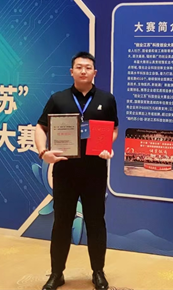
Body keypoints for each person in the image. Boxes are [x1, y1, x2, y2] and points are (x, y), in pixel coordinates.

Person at [34, 52, 118, 290]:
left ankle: (98, 272)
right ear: (71, 72)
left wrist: (107, 146)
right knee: (61, 223)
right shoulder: (58, 99)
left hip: (95, 172)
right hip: (65, 172)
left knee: (96, 223)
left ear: (94, 72)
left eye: (88, 67)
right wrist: (43, 152)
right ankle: (56, 274)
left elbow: (113, 129)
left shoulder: (106, 99)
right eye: (79, 67)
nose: (83, 71)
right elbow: (40, 127)